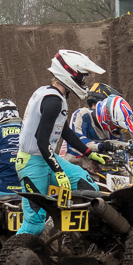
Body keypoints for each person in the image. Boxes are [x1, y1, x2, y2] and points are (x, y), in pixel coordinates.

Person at [15, 50, 108, 235]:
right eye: (82, 78)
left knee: (88, 186)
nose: (84, 83)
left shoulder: (53, 95)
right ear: (69, 73)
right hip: (32, 163)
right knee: (34, 223)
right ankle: (12, 253)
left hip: (46, 159)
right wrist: (58, 172)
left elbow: (65, 131)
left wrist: (89, 153)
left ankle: (63, 233)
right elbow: (42, 142)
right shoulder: (53, 101)